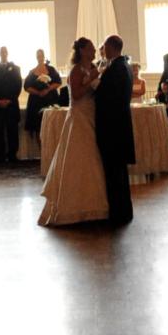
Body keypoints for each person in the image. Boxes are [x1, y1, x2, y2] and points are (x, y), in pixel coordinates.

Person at [39, 38, 109, 226]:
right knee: (79, 154)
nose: (94, 52)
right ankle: (72, 206)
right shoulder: (76, 71)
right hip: (79, 116)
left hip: (91, 113)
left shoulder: (92, 67)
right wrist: (92, 79)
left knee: (93, 155)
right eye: (91, 49)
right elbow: (76, 95)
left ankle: (94, 204)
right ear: (82, 51)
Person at [95, 35, 136, 227]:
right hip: (119, 125)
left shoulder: (117, 69)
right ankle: (123, 210)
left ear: (111, 47)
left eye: (104, 47)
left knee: (114, 172)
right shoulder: (124, 65)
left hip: (113, 127)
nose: (103, 50)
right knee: (118, 172)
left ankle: (118, 213)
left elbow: (108, 97)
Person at [0, 45, 23, 164]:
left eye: (5, 52)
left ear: (7, 53)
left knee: (12, 131)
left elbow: (18, 86)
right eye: (1, 52)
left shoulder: (16, 69)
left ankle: (12, 155)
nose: (3, 53)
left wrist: (9, 100)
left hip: (11, 105)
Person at [23, 50, 62, 139]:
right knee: (38, 128)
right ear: (36, 57)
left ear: (44, 56)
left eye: (41, 55)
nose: (40, 57)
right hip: (36, 103)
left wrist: (48, 89)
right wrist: (38, 92)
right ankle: (41, 147)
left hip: (50, 101)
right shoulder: (32, 72)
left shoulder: (51, 70)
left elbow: (58, 82)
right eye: (38, 56)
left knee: (52, 127)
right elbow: (26, 87)